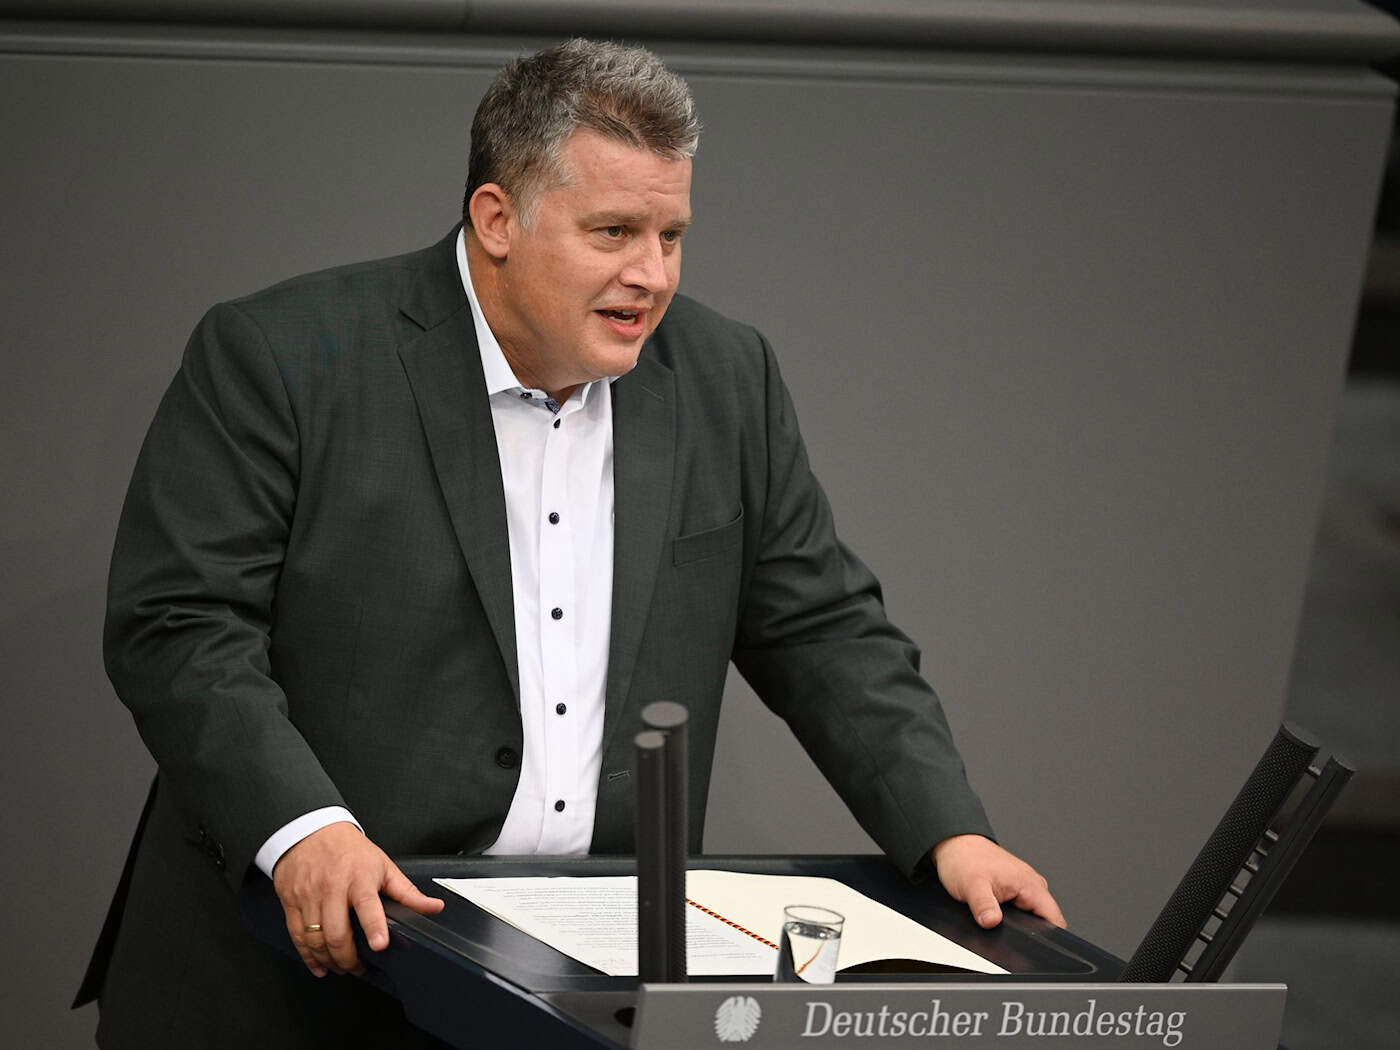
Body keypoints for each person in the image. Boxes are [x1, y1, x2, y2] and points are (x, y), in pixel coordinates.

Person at [79, 38, 1063, 1049]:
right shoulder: (286, 355)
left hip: (566, 998)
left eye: (671, 234)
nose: (651, 274)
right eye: (613, 232)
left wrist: (947, 829)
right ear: (497, 218)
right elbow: (180, 627)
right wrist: (306, 832)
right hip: (289, 980)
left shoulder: (724, 379)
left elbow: (821, 630)